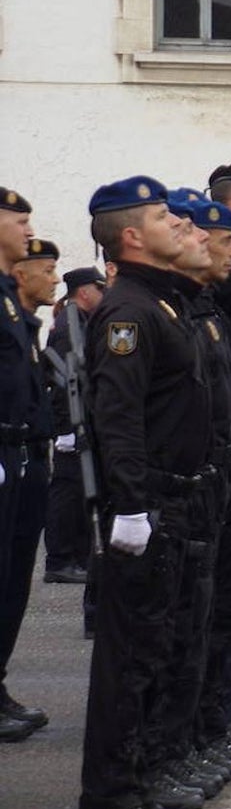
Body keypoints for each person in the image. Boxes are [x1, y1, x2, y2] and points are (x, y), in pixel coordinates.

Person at [79, 175, 215, 809]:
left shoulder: (164, 302)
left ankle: (142, 779)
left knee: (159, 649)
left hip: (175, 499)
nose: (179, 226)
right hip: (149, 503)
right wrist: (130, 505)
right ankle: (110, 797)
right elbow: (119, 418)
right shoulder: (130, 310)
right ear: (132, 236)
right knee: (128, 661)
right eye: (166, 218)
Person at [1, 232, 56, 744]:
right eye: (19, 220)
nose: (55, 277)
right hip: (5, 453)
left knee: (14, 580)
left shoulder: (21, 316)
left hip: (25, 456)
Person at [43, 266, 106, 584]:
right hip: (71, 420)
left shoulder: (78, 320)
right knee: (67, 491)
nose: (103, 295)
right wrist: (68, 428)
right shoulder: (71, 324)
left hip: (77, 418)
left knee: (78, 489)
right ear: (84, 292)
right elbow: (66, 377)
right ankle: (60, 559)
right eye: (99, 289)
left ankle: (74, 557)